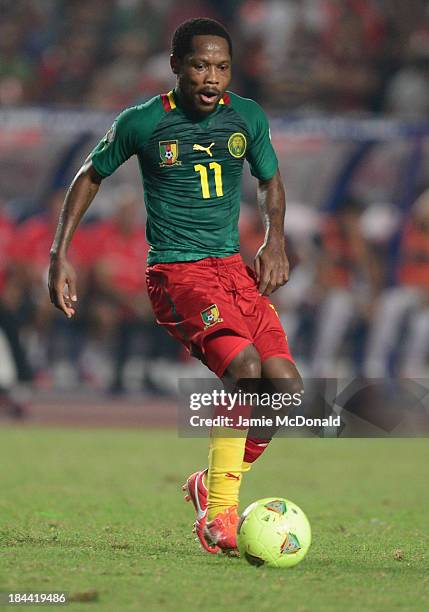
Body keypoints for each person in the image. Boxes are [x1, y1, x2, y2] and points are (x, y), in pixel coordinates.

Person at [48, 18, 302, 555]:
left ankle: (211, 483)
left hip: (233, 270)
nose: (211, 78)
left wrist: (275, 238)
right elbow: (89, 176)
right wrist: (59, 253)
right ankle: (220, 515)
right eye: (200, 65)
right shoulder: (143, 122)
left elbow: (269, 178)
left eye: (221, 67)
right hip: (178, 273)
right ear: (176, 67)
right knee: (245, 368)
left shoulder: (247, 116)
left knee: (287, 389)